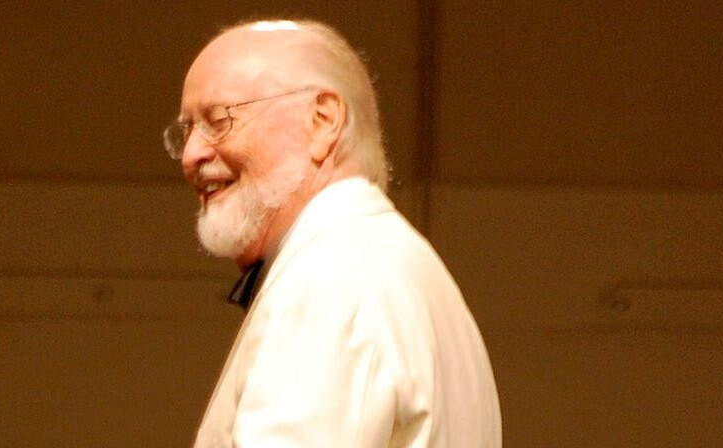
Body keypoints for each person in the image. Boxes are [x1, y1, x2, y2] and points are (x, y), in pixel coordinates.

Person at [164, 18, 502, 447]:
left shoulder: (329, 279)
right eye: (187, 131)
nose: (191, 154)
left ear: (323, 120)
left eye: (219, 120)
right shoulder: (389, 259)